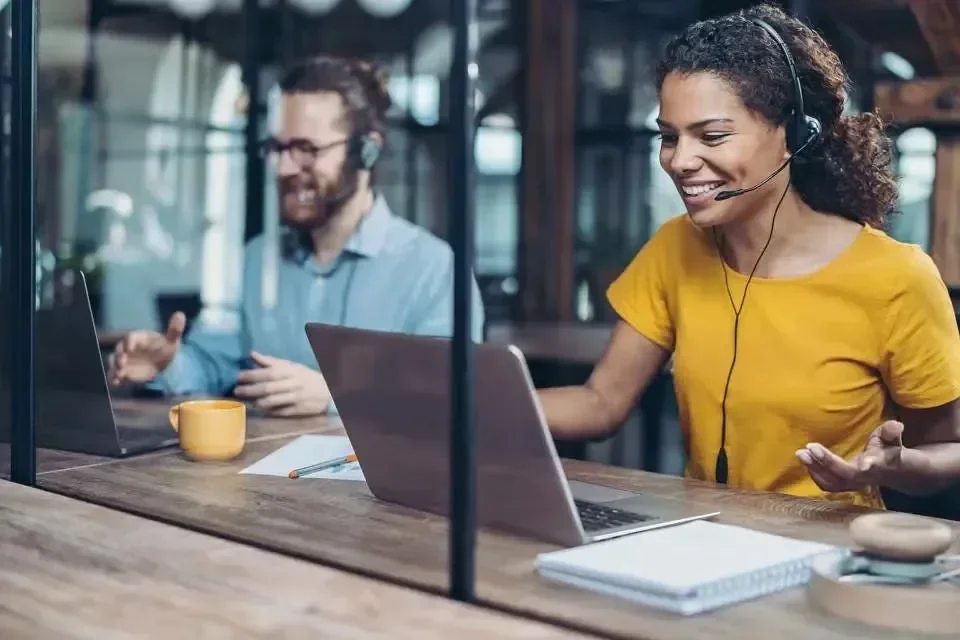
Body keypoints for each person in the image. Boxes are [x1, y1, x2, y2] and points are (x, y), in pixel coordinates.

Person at [538, 3, 960, 508]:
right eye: (669, 137)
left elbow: (947, 449)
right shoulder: (676, 247)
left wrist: (895, 466)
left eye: (712, 136)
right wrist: (458, 401)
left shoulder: (896, 277)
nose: (680, 161)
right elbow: (600, 403)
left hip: (827, 559)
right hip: (700, 543)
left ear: (793, 135)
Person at [107, 55, 485, 417]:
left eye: (307, 149)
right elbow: (217, 365)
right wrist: (168, 364)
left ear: (367, 151)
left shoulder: (434, 269)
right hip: (263, 479)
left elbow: (449, 396)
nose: (285, 167)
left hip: (379, 484)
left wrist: (334, 397)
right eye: (278, 148)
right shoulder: (259, 259)